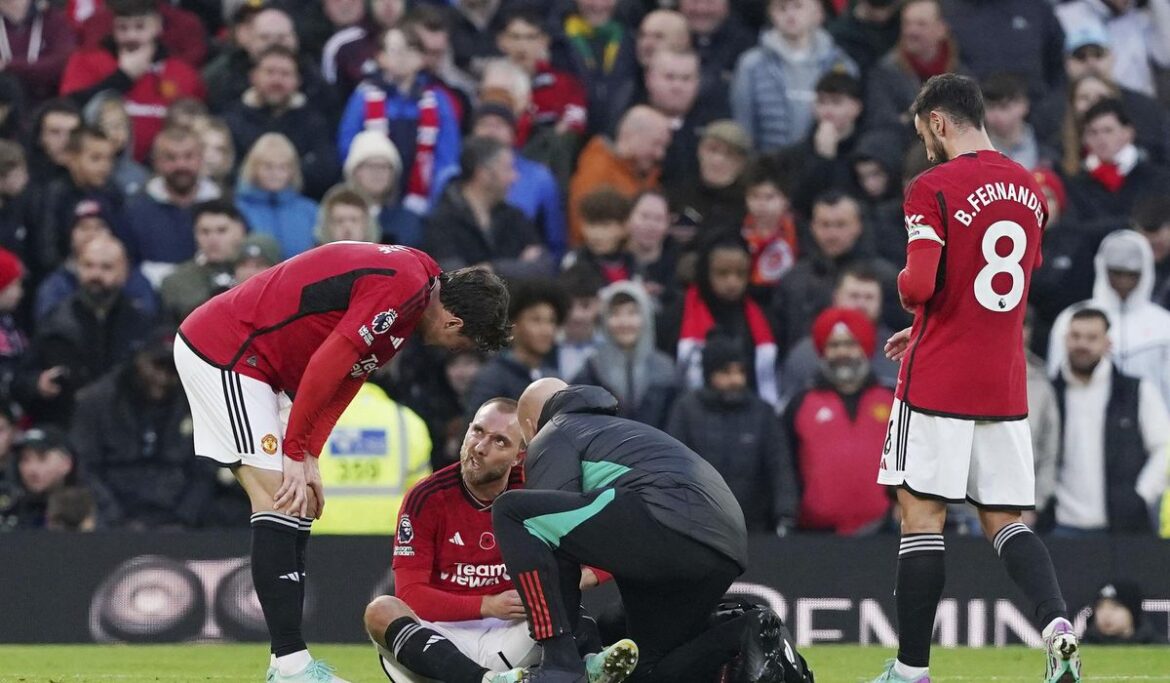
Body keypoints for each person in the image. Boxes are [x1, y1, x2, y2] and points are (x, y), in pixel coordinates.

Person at [174, 244, 511, 683]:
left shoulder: (415, 289)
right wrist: (294, 451)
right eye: (460, 343)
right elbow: (327, 361)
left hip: (260, 368)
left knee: (295, 503)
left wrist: (310, 453)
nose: (451, 350)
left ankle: (288, 664)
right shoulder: (404, 287)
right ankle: (291, 666)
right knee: (277, 498)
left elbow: (349, 377)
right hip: (227, 352)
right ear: (454, 322)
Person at [872, 74, 1079, 683]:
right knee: (1006, 521)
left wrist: (918, 313)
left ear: (938, 122)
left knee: (922, 516)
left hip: (937, 381)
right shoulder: (1029, 188)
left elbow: (921, 284)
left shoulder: (929, 186)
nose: (927, 147)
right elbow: (1002, 290)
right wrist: (938, 324)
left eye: (925, 134)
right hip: (1004, 380)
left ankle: (911, 671)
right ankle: (1058, 627)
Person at [490, 378, 759, 682]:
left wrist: (563, 644)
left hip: (666, 521)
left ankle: (559, 663)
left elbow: (552, 535)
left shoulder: (555, 431)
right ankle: (747, 632)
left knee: (511, 511)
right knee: (646, 668)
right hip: (725, 546)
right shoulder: (623, 432)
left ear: (529, 424)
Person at [364, 397, 634, 683]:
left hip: (515, 634)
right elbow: (412, 594)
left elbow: (617, 540)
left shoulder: (535, 487)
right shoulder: (426, 498)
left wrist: (583, 577)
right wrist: (487, 605)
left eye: (499, 442)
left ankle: (588, 664)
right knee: (381, 609)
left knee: (560, 595)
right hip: (441, 639)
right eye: (477, 432)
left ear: (519, 455)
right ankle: (488, 680)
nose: (479, 448)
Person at [70, 328, 215, 529]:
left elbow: (204, 471)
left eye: (173, 370)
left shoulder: (194, 401)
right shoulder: (97, 401)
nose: (163, 378)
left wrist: (184, 519)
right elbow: (86, 468)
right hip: (114, 516)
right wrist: (116, 519)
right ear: (139, 359)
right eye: (158, 366)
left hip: (175, 517)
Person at [1049, 307, 1168, 536]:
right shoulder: (1050, 392)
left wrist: (1141, 494)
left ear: (1107, 343)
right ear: (1065, 340)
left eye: (1092, 337)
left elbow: (1164, 446)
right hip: (1059, 524)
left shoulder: (1135, 391)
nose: (1082, 344)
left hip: (1123, 526)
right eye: (1075, 336)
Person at [779, 307, 893, 535]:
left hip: (886, 533)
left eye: (851, 344)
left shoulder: (893, 398)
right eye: (834, 345)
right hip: (815, 536)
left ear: (865, 348)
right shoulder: (800, 403)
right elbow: (784, 466)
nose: (842, 352)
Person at [59, 0, 206, 163]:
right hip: (102, 167)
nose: (131, 36)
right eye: (123, 28)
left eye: (140, 27)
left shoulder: (182, 73)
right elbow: (68, 110)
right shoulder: (86, 61)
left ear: (157, 26)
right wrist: (122, 77)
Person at [665, 334, 784, 532]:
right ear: (710, 374)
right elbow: (673, 466)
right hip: (700, 525)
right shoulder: (686, 410)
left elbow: (779, 465)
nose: (735, 379)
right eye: (726, 372)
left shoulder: (762, 412)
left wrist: (785, 511)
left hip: (754, 527)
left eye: (740, 371)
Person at [1046, 230, 1170, 408]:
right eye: (1116, 273)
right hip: (1085, 419)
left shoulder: (1164, 325)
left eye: (1132, 274)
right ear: (1103, 269)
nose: (1124, 281)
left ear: (1145, 272)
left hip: (1151, 422)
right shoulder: (1072, 317)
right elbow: (1055, 379)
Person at [731, 0, 857, 152]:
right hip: (769, 163)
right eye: (781, 8)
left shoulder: (841, 64)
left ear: (818, 13)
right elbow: (743, 124)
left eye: (798, 6)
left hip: (824, 163)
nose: (790, 15)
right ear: (771, 14)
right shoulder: (751, 64)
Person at [422, 136, 551, 281]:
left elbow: (544, 267)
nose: (515, 177)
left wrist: (492, 268)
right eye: (508, 169)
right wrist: (518, 268)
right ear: (483, 173)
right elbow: (455, 277)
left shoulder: (514, 216)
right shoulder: (443, 219)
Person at [781, 264, 899, 402]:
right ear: (836, 298)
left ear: (880, 303)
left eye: (869, 297)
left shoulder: (895, 351)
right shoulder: (805, 354)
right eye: (854, 296)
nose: (861, 304)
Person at [572, 281, 678, 429]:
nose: (624, 322)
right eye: (615, 313)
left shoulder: (666, 369)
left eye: (632, 312)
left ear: (646, 317)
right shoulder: (592, 369)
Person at [568, 106, 671, 246]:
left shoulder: (645, 173)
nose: (660, 154)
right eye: (655, 144)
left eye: (664, 147)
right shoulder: (597, 170)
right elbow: (583, 228)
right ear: (631, 136)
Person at [464, 279, 566, 419]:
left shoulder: (553, 376)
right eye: (536, 320)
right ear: (513, 325)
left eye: (551, 321)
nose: (547, 330)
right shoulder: (492, 378)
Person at [159, 200, 247, 324]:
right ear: (195, 234)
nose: (213, 239)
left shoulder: (258, 272)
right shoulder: (176, 282)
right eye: (205, 232)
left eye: (221, 230)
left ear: (240, 231)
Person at [234, 133, 320, 259]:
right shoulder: (239, 208)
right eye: (268, 167)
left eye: (283, 167)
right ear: (254, 168)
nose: (275, 174)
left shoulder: (310, 210)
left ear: (293, 170)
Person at [1083, 580, 1163, 645]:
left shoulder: (1159, 648)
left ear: (1132, 612)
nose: (1106, 614)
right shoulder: (1081, 650)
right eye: (1100, 607)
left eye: (1115, 607)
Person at [313, 186, 379, 245]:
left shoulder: (384, 256)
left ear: (366, 223)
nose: (347, 227)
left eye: (354, 220)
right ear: (328, 225)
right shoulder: (313, 257)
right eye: (340, 221)